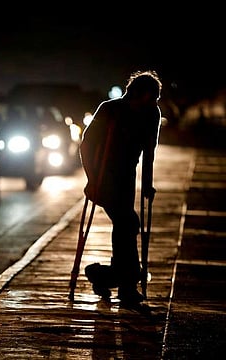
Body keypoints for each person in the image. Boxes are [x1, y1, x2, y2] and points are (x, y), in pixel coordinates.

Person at [80, 70, 162, 305]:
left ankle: (103, 276)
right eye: (149, 98)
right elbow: (86, 146)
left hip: (127, 178)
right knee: (128, 223)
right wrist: (92, 180)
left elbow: (149, 152)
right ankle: (127, 286)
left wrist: (147, 185)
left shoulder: (152, 114)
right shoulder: (109, 109)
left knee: (124, 225)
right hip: (103, 177)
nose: (153, 104)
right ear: (137, 94)